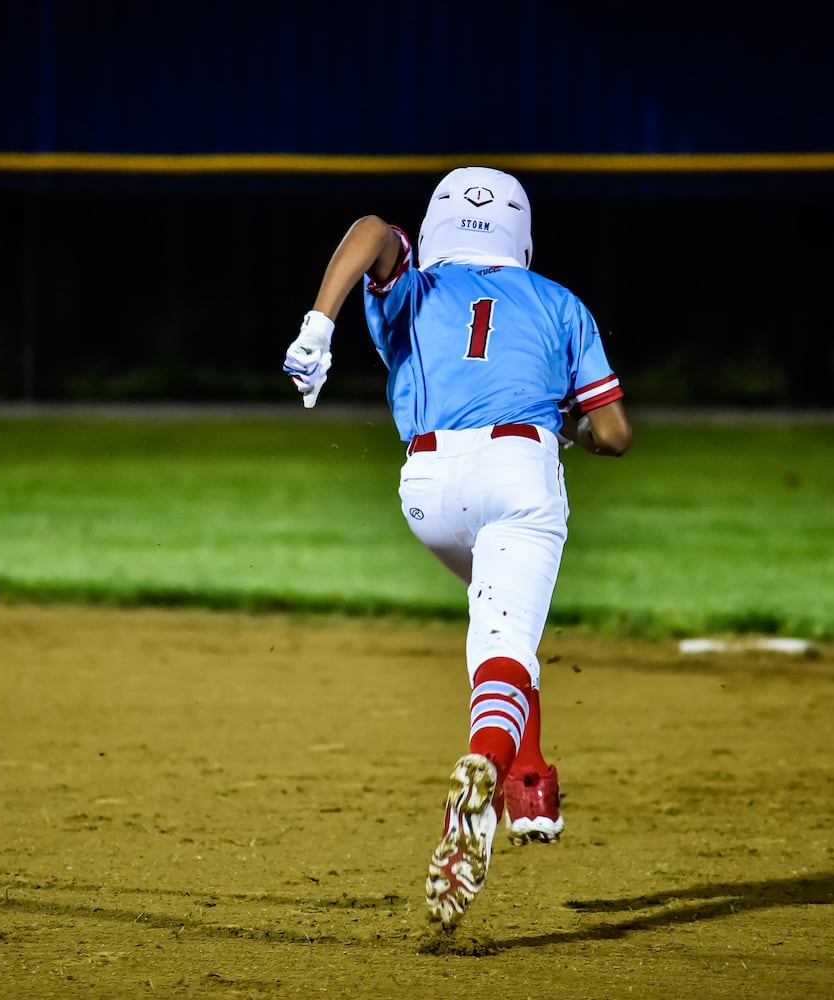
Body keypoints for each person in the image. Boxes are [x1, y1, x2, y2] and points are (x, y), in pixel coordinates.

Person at [282, 167, 632, 930]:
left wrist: (318, 324)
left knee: (498, 614)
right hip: (518, 475)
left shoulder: (413, 289)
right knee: (505, 640)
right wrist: (569, 426)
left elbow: (371, 228)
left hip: (428, 488)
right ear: (521, 233)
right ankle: (488, 766)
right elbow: (612, 434)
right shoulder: (558, 302)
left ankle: (529, 782)